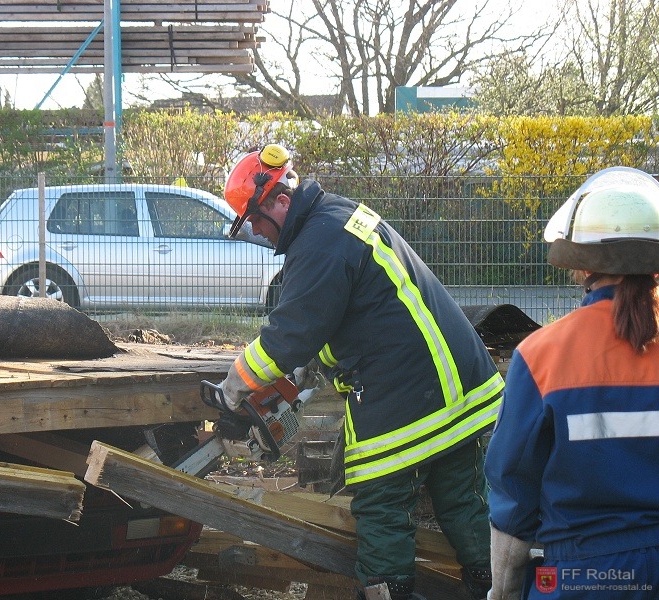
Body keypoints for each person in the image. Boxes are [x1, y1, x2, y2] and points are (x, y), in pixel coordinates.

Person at [217, 144, 505, 600]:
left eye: (254, 218)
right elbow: (351, 318)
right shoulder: (339, 217)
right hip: (460, 389)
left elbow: (287, 336)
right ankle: (502, 589)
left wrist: (230, 392)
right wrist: (315, 369)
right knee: (465, 503)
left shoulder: (317, 243)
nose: (256, 230)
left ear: (279, 201)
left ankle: (387, 593)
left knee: (382, 506)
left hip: (407, 396)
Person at [484, 166, 659, 600]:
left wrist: (503, 592)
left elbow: (513, 492)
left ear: (581, 266)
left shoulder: (542, 355)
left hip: (580, 578)